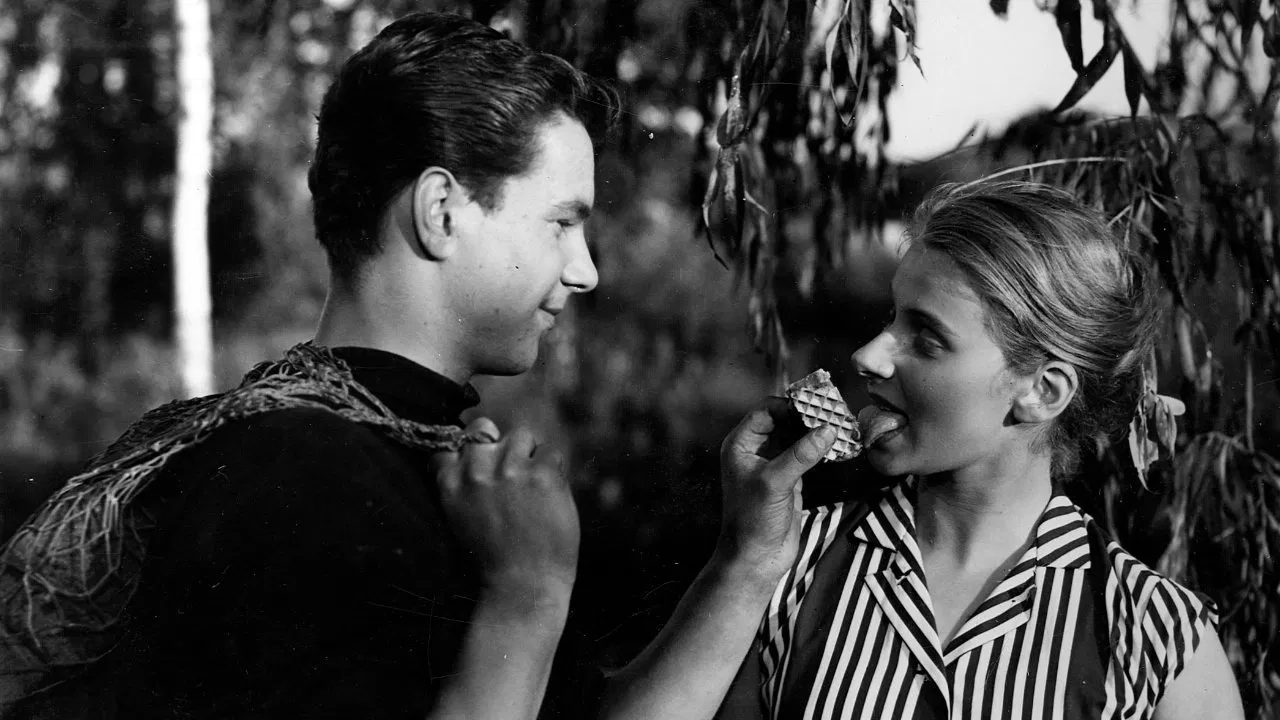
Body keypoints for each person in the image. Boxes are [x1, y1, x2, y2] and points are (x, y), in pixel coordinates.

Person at [0, 11, 832, 720]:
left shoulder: (415, 450)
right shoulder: (298, 477)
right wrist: (527, 601)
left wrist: (750, 558)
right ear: (440, 213)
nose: (587, 270)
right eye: (562, 222)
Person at [715, 181, 1245, 720]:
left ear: (1042, 391)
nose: (868, 355)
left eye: (927, 339)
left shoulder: (1157, 639)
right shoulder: (788, 564)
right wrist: (743, 566)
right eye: (891, 318)